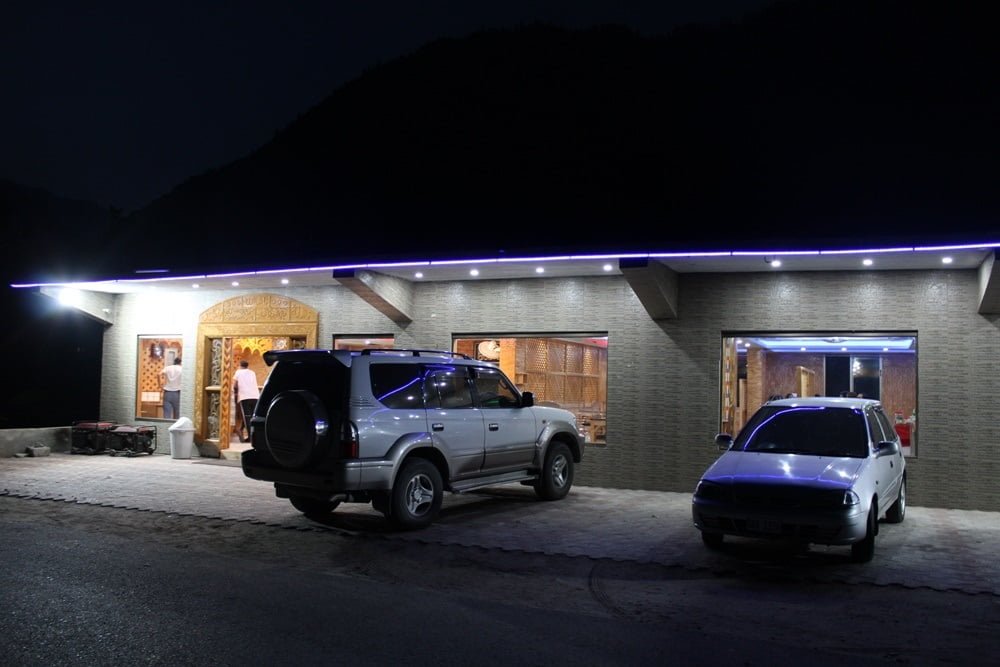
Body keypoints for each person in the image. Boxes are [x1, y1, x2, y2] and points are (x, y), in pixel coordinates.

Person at [233, 360, 260, 443]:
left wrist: (235, 391)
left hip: (245, 397)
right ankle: (254, 436)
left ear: (240, 365)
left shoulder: (238, 372)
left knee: (247, 417)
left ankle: (251, 438)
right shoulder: (252, 372)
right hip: (255, 396)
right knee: (253, 417)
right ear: (247, 366)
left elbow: (234, 385)